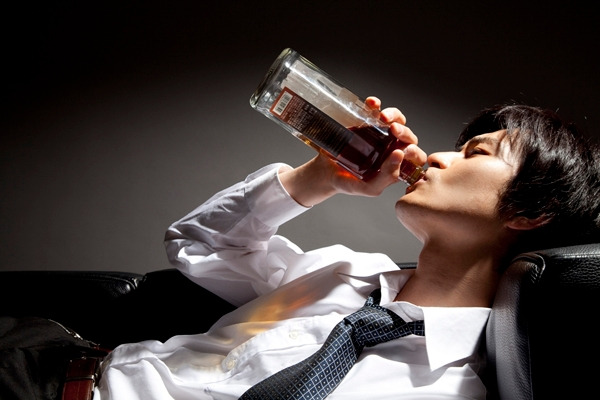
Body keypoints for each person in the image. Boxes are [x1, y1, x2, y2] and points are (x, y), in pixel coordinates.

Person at [93, 97, 600, 399]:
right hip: (68, 369)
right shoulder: (340, 271)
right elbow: (196, 243)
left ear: (531, 212)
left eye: (477, 153)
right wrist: (317, 178)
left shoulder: (449, 390)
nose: (437, 157)